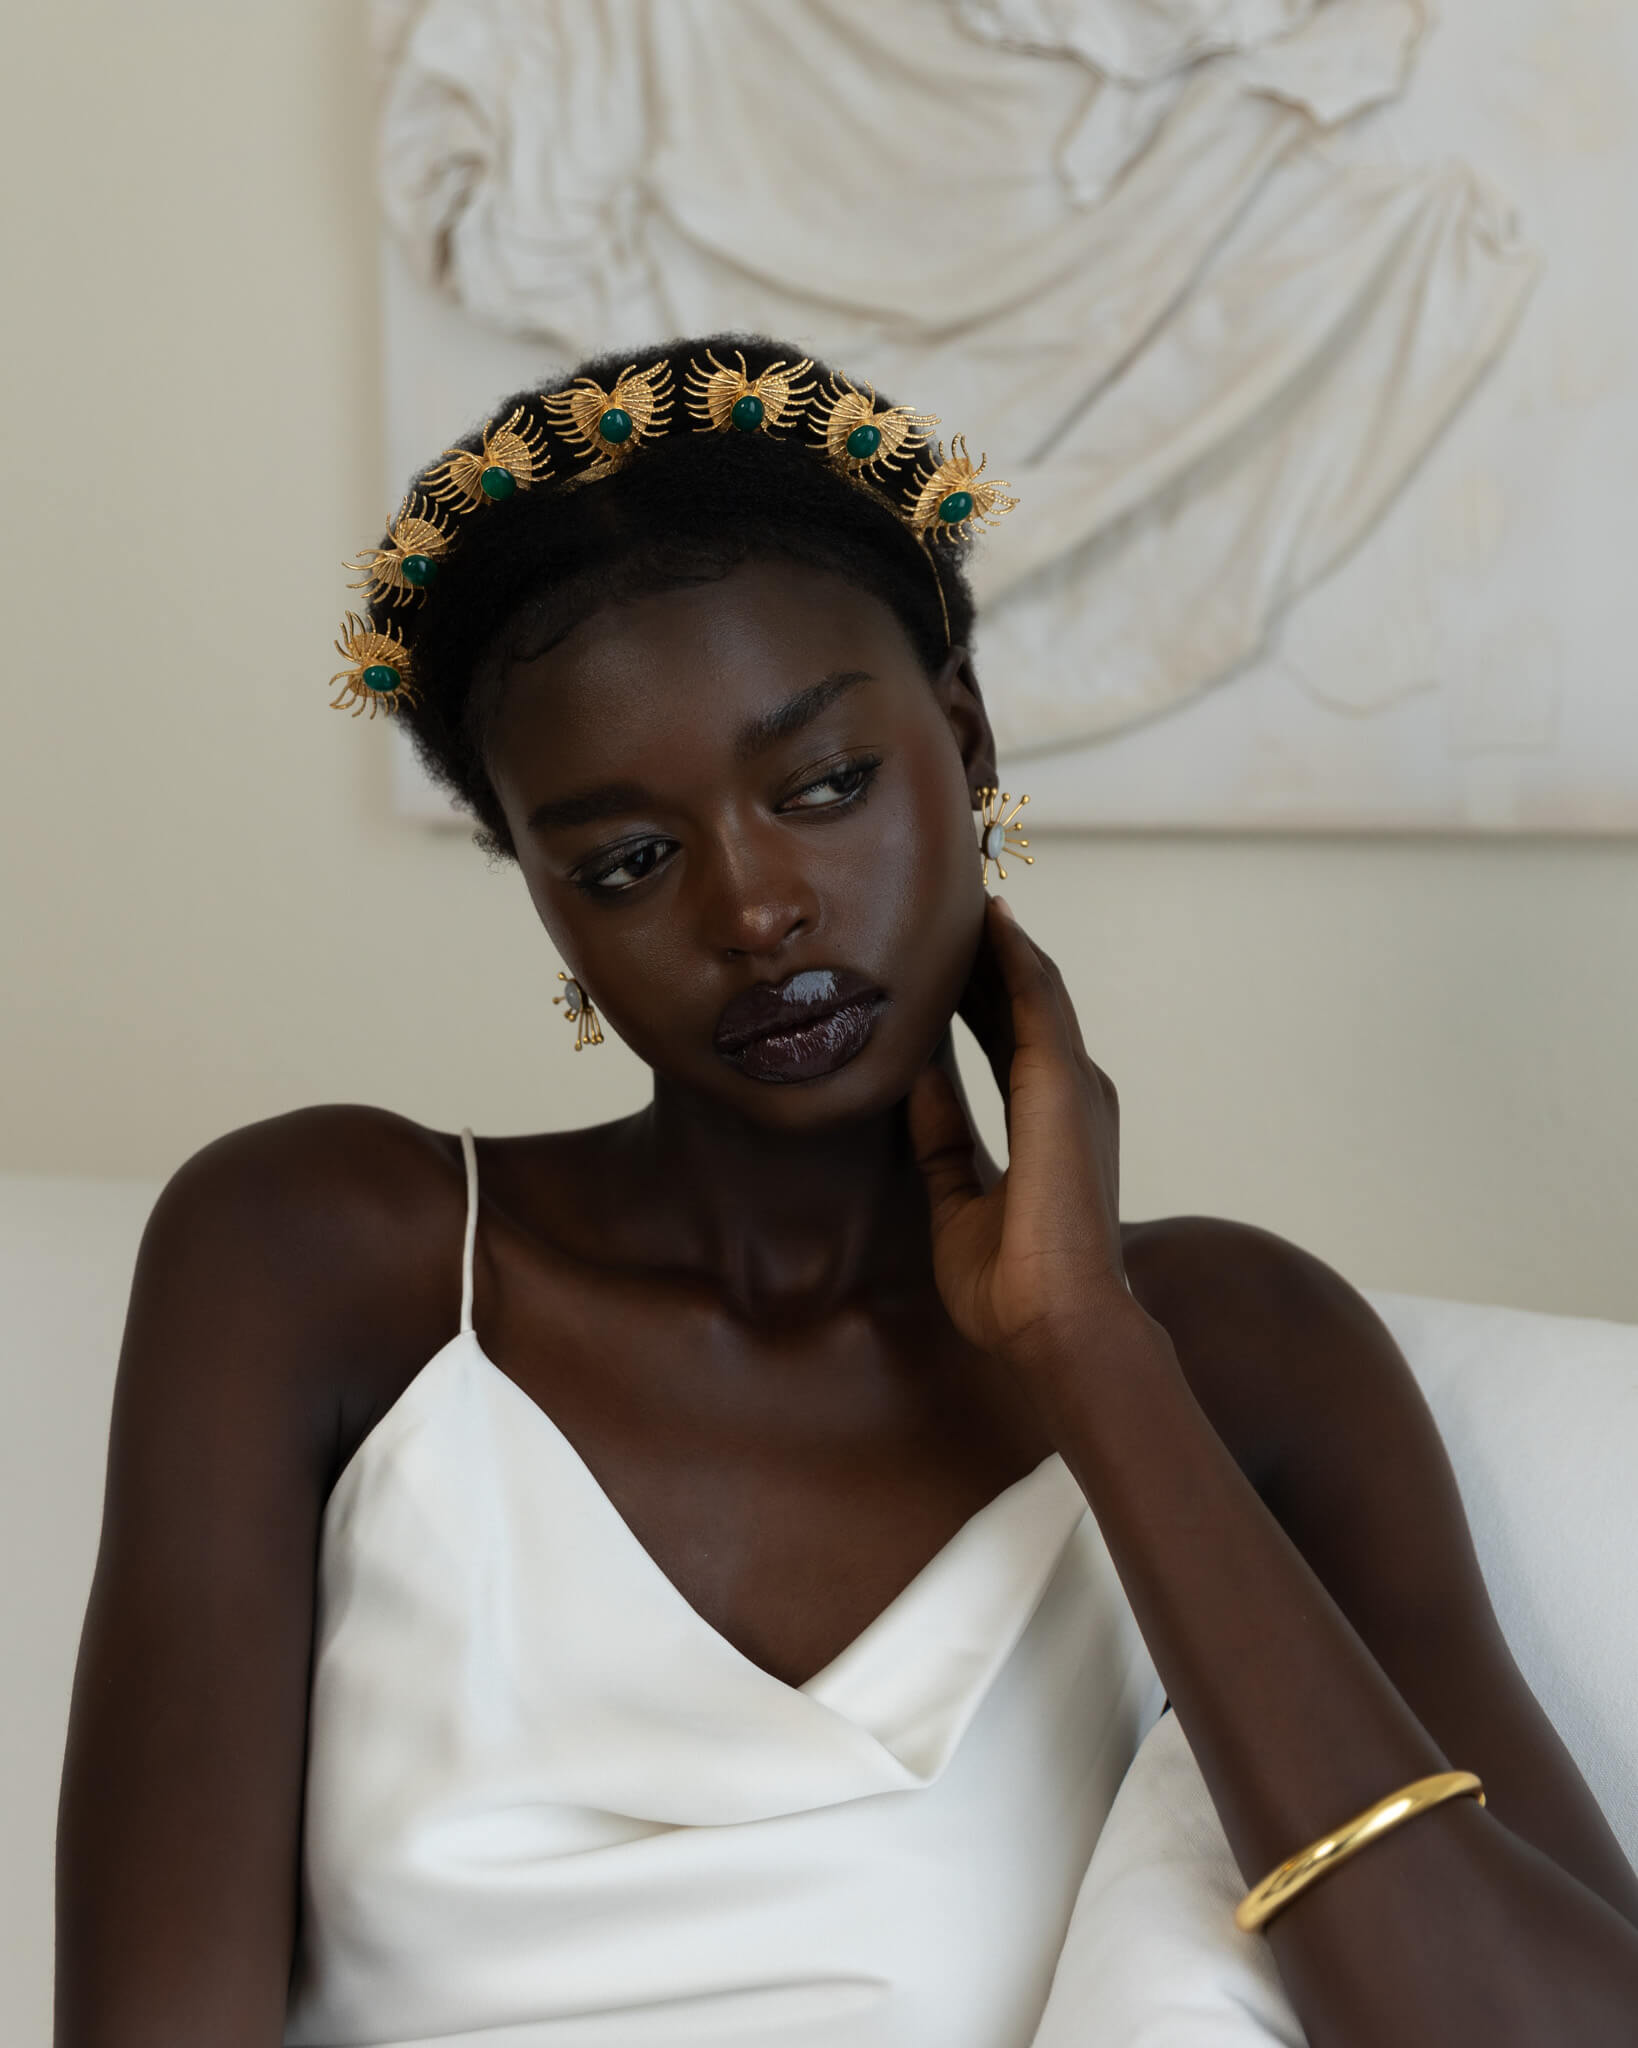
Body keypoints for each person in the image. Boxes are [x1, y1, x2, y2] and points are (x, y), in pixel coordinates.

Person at [55, 338, 1638, 2047]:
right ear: (538, 892)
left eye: (822, 786)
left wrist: (1093, 1363)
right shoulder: (314, 1256)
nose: (753, 910)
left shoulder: (1241, 1351)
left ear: (961, 736)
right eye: (626, 861)